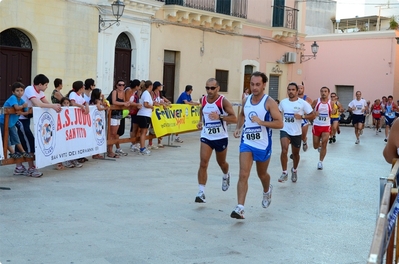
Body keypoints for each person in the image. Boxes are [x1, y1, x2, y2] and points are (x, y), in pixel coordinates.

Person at [230, 71, 283, 219]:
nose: (254, 87)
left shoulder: (269, 102)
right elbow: (242, 115)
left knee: (262, 174)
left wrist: (262, 122)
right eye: (252, 84)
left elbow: (279, 123)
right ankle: (240, 208)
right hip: (247, 142)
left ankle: (267, 190)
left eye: (258, 84)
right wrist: (238, 128)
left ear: (264, 85)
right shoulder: (246, 100)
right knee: (243, 173)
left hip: (263, 144)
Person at [194, 78, 237, 203]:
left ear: (218, 88)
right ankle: (201, 192)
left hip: (220, 137)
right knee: (203, 162)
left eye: (212, 88)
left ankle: (226, 174)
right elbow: (201, 110)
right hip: (207, 136)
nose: (209, 90)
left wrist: (220, 116)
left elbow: (234, 118)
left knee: (222, 163)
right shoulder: (203, 99)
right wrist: (200, 121)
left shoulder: (223, 101)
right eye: (207, 88)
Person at [14, 74, 62, 177]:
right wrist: (53, 106)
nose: (46, 87)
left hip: (26, 119)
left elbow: (46, 102)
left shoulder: (40, 92)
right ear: (39, 84)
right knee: (30, 141)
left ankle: (19, 167)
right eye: (45, 85)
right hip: (20, 119)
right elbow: (38, 104)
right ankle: (31, 168)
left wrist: (54, 107)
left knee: (21, 142)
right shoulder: (30, 89)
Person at [278, 83, 314, 183]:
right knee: (284, 150)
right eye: (289, 89)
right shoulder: (283, 102)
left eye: (293, 89)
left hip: (297, 132)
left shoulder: (303, 103)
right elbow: (277, 112)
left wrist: (302, 117)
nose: (291, 91)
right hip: (285, 130)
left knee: (295, 154)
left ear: (297, 91)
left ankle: (294, 170)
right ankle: (284, 173)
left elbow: (313, 115)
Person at [0, 82, 33, 159]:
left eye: (21, 90)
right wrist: (22, 107)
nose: (19, 92)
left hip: (11, 123)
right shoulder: (13, 98)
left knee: (16, 137)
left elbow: (26, 112)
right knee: (6, 138)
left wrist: (22, 112)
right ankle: (12, 152)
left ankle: (23, 152)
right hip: (3, 122)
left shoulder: (21, 100)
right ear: (13, 92)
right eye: (17, 90)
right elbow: (16, 107)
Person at [311, 87, 334, 170]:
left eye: (325, 91)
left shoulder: (331, 103)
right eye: (322, 91)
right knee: (315, 146)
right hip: (317, 125)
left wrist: (334, 112)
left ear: (328, 93)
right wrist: (314, 113)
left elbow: (334, 111)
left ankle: (320, 162)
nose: (323, 93)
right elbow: (309, 110)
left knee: (325, 143)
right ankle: (319, 145)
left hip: (326, 126)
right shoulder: (316, 101)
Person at [107, 80, 130, 158]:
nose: (121, 86)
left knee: (115, 133)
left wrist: (127, 103)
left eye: (123, 85)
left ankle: (111, 150)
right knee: (112, 133)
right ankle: (109, 151)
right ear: (116, 85)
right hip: (112, 114)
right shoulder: (114, 92)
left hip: (119, 114)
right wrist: (124, 103)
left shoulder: (123, 93)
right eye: (120, 85)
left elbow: (125, 101)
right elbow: (114, 102)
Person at [60, 97, 83, 168]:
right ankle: (66, 160)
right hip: (63, 131)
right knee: (65, 145)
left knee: (72, 145)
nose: (66, 105)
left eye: (67, 103)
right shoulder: (60, 111)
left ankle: (73, 159)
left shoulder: (72, 110)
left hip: (71, 131)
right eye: (64, 103)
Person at [89, 88, 109, 159]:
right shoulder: (97, 101)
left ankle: (96, 153)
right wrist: (105, 108)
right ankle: (96, 154)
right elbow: (99, 107)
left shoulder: (93, 100)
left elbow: (103, 103)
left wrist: (103, 98)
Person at [136, 80, 154, 155]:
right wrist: (152, 107)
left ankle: (142, 147)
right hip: (144, 114)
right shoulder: (146, 93)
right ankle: (142, 148)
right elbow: (146, 104)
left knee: (144, 131)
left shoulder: (145, 93)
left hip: (145, 114)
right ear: (150, 86)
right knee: (143, 132)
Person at [126, 79, 142, 152]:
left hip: (135, 110)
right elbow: (128, 101)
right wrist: (137, 104)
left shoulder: (135, 92)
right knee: (134, 128)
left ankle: (136, 142)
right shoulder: (129, 91)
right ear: (136, 86)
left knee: (137, 127)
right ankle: (133, 143)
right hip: (131, 110)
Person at [298, 83, 312, 152]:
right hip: (295, 120)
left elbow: (311, 110)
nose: (300, 90)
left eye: (301, 88)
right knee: (295, 137)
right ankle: (295, 152)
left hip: (304, 120)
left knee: (302, 136)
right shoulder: (293, 98)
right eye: (298, 88)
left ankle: (304, 141)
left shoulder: (307, 99)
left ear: (303, 89)